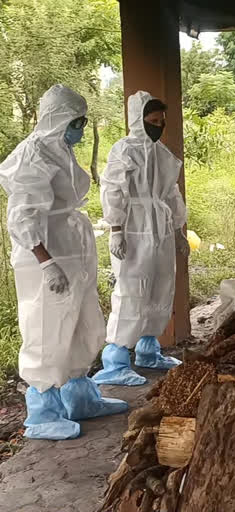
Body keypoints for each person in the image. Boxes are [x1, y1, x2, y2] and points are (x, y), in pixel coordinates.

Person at [0, 85, 128, 440]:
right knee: (48, 327)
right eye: (76, 121)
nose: (81, 128)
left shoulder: (60, 150)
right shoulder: (33, 155)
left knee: (83, 323)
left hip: (72, 250)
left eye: (83, 121)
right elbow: (23, 214)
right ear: (59, 119)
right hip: (48, 254)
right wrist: (45, 262)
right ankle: (42, 411)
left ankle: (79, 395)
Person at [92, 91, 189, 386]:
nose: (159, 126)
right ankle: (115, 360)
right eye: (153, 120)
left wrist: (178, 231)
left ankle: (148, 350)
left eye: (162, 121)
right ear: (138, 119)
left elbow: (171, 194)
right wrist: (116, 229)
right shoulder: (124, 150)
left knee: (161, 285)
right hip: (134, 228)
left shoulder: (161, 153)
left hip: (159, 228)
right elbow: (112, 189)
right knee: (132, 289)